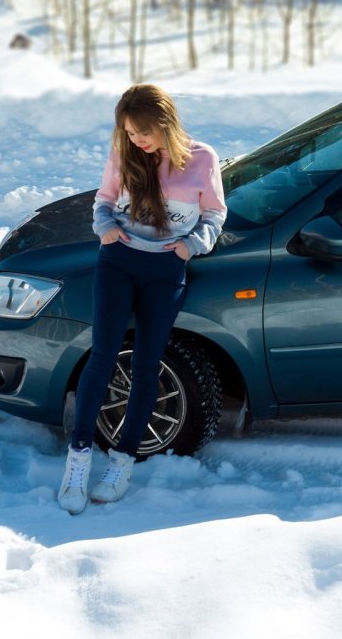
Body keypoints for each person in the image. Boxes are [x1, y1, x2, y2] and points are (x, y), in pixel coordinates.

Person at [58, 84, 227, 514]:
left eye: (143, 132)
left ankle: (122, 462)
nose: (137, 141)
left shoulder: (201, 159)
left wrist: (192, 245)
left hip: (166, 268)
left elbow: (215, 213)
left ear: (165, 123)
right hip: (118, 261)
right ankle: (77, 460)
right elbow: (103, 199)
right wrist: (105, 230)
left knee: (148, 362)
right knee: (104, 353)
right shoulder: (124, 154)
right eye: (130, 133)